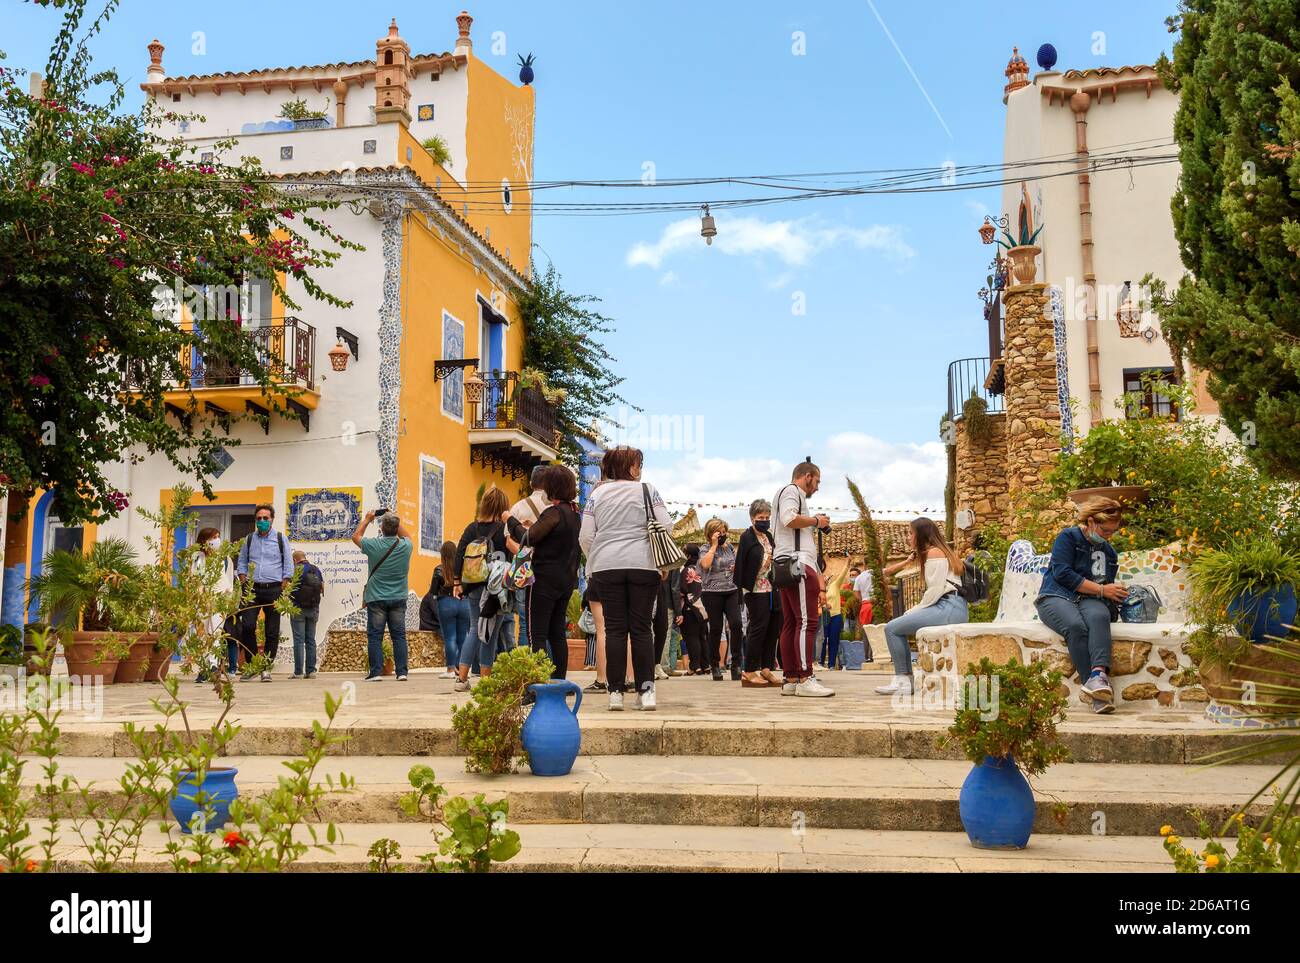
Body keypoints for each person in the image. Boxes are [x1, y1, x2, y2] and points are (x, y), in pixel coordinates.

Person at [579, 445, 671, 711]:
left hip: (607, 566)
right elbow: (666, 525)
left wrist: (595, 558)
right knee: (642, 629)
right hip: (644, 564)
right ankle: (646, 692)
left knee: (615, 629)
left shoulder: (597, 495)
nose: (640, 469)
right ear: (631, 467)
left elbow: (585, 535)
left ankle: (615, 693)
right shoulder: (648, 491)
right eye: (638, 464)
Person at [1035, 496, 1127, 715]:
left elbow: (1104, 584)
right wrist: (1103, 590)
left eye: (1112, 532)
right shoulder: (1068, 537)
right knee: (1076, 627)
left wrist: (1115, 593)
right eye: (1105, 531)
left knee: (1099, 617)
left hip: (1088, 599)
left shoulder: (1108, 552)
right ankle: (1097, 692)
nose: (1108, 536)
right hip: (1055, 596)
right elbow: (1062, 573)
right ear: (1092, 522)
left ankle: (1098, 676)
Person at [875, 518, 968, 696]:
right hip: (953, 606)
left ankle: (903, 681)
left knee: (892, 628)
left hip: (948, 607)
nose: (909, 538)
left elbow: (935, 590)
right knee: (895, 627)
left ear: (921, 534)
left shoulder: (934, 553)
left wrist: (914, 610)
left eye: (911, 533)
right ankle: (904, 680)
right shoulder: (941, 552)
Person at [451, 487, 524, 691]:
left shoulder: (471, 528)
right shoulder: (504, 529)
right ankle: (485, 680)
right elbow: (513, 553)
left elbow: (459, 555)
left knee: (475, 628)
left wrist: (457, 582)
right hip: (497, 588)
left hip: (474, 586)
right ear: (502, 507)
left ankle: (462, 678)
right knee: (490, 633)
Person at [773, 462, 835, 697]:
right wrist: (816, 521)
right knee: (806, 623)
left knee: (790, 623)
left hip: (787, 564)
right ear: (807, 476)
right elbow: (789, 518)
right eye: (817, 481)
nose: (817, 487)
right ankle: (805, 677)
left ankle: (791, 678)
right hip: (798, 564)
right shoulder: (792, 491)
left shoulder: (786, 493)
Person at [517, 464, 581, 679]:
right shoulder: (574, 514)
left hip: (543, 581)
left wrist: (509, 519)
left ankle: (537, 683)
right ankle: (559, 682)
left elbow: (527, 538)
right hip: (565, 581)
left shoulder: (553, 512)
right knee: (557, 635)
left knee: (537, 634)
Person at [352, 510, 415, 682]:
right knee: (399, 636)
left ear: (381, 528)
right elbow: (407, 535)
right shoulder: (406, 546)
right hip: (398, 597)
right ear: (396, 528)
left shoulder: (374, 545)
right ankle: (401, 672)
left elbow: (356, 536)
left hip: (376, 598)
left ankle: (376, 672)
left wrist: (367, 519)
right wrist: (394, 518)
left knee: (375, 636)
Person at [235, 503, 292, 681]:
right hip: (252, 589)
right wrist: (243, 579)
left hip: (274, 589)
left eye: (265, 518)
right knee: (247, 626)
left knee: (272, 631)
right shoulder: (249, 539)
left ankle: (266, 668)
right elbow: (242, 562)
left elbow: (288, 563)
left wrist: (285, 583)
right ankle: (252, 665)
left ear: (272, 520)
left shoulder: (281, 539)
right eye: (258, 518)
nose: (261, 521)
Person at [735, 499, 782, 687]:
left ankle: (766, 667)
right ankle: (749, 670)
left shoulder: (768, 536)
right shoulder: (747, 538)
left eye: (767, 517)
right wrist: (765, 563)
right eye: (761, 517)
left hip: (772, 587)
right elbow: (741, 566)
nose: (764, 520)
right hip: (755, 589)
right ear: (753, 518)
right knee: (758, 628)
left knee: (773, 627)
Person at [699, 518, 745, 681]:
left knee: (736, 624)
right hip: (712, 592)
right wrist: (713, 545)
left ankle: (736, 664)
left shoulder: (730, 547)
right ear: (710, 534)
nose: (722, 535)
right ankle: (715, 665)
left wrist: (735, 567)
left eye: (724, 532)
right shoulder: (705, 548)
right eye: (718, 532)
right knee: (716, 628)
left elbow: (737, 564)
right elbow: (705, 565)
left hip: (731, 590)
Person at [193, 527, 237, 683]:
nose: (217, 540)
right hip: (203, 602)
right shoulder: (198, 557)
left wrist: (228, 599)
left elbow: (229, 580)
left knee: (216, 633)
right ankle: (203, 667)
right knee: (203, 634)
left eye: (218, 536)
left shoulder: (225, 558)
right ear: (204, 541)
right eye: (213, 537)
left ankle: (211, 665)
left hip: (220, 601)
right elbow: (195, 579)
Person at [422, 541, 467, 680]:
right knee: (463, 638)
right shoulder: (464, 569)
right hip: (464, 603)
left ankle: (450, 670)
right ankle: (462, 670)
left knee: (450, 638)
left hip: (446, 603)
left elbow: (433, 592)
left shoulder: (439, 570)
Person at [288, 550, 324, 679]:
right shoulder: (316, 569)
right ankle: (311, 671)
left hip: (298, 608)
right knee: (311, 640)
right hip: (313, 609)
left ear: (294, 560)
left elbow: (288, 588)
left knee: (299, 640)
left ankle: (298, 672)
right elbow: (322, 587)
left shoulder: (296, 570)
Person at [676, 543, 709, 673]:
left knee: (692, 637)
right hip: (704, 608)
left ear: (688, 555)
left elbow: (682, 590)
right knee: (703, 637)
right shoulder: (703, 568)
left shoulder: (687, 570)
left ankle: (695, 666)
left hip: (690, 608)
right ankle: (706, 665)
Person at [820, 561, 848, 670]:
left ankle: (831, 664)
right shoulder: (818, 590)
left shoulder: (834, 586)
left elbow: (842, 575)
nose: (825, 578)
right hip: (823, 616)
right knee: (822, 640)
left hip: (835, 615)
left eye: (826, 577)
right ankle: (820, 662)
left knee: (834, 640)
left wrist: (848, 563)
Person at [852, 562, 876, 662]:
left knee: (866, 632)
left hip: (865, 605)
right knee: (876, 630)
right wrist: (907, 561)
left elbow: (856, 593)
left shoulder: (859, 578)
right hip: (875, 604)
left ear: (865, 564)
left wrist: (863, 600)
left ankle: (867, 656)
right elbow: (891, 569)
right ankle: (875, 654)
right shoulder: (876, 573)